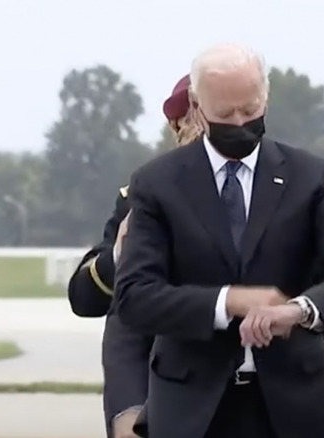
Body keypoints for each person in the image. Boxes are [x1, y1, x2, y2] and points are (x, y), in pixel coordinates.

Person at [114, 43, 324, 438]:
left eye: (250, 109)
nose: (239, 122)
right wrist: (229, 300)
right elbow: (135, 296)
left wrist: (299, 310)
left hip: (298, 407)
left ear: (266, 99)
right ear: (197, 104)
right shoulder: (157, 184)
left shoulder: (309, 177)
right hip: (194, 411)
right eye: (224, 114)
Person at [67, 74, 203, 438]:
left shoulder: (285, 192)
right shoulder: (140, 198)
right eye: (195, 121)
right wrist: (119, 256)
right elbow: (93, 302)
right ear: (178, 128)